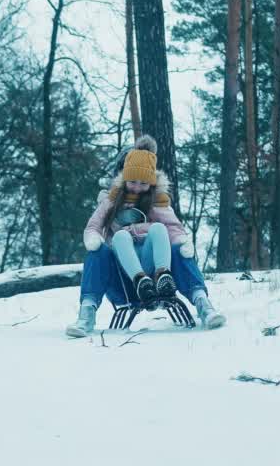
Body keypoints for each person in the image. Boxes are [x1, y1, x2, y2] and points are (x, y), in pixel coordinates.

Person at [66, 136, 226, 337]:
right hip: (124, 282)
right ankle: (86, 315)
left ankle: (203, 305)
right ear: (123, 178)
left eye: (143, 183)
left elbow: (173, 228)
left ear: (151, 182)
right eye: (132, 181)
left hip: (158, 283)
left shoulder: (156, 202)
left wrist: (184, 244)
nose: (136, 187)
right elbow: (94, 226)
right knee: (103, 248)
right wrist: (93, 240)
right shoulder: (111, 201)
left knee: (169, 239)